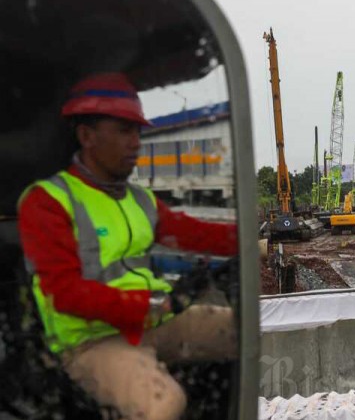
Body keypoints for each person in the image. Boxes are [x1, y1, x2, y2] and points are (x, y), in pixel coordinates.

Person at [17, 73, 239, 420]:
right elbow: (65, 293)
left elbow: (195, 233)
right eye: (124, 130)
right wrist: (159, 303)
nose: (136, 142)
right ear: (86, 136)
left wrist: (260, 241)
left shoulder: (139, 199)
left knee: (242, 330)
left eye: (138, 131)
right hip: (92, 341)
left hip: (152, 322)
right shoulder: (48, 201)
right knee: (163, 404)